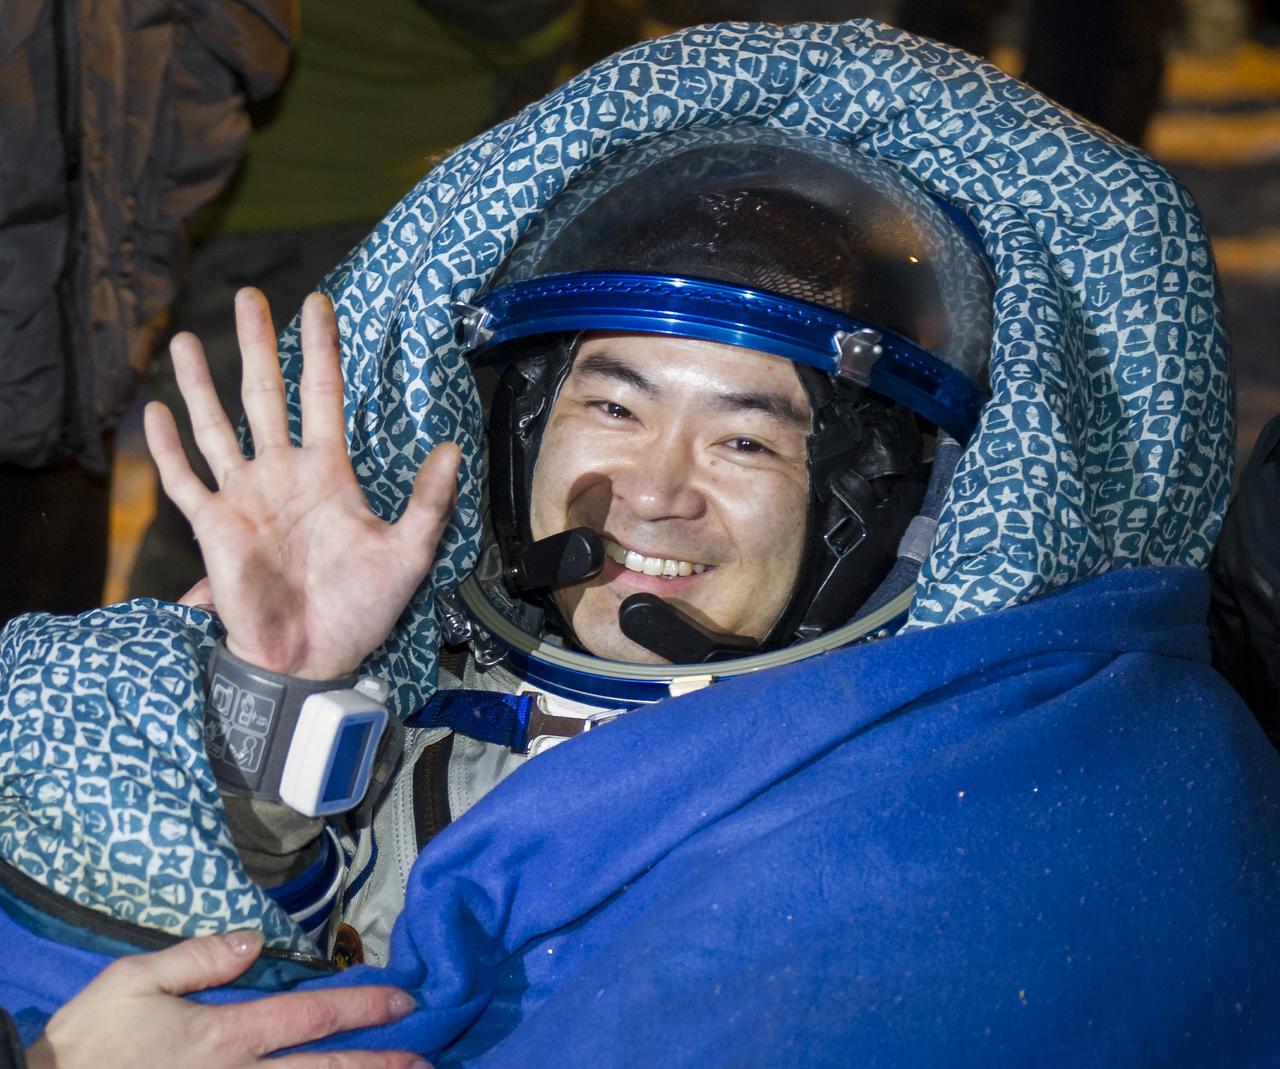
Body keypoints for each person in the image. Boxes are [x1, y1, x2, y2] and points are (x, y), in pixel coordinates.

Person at [3, 19, 1279, 1068]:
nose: (648, 493)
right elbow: (290, 912)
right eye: (610, 406)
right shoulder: (413, 696)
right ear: (514, 438)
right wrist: (285, 689)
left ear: (887, 509)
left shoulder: (997, 803)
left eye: (745, 440)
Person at [0, 0, 295, 623]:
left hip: (69, 369)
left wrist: (132, 243)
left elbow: (246, 43)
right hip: (66, 346)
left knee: (48, 672)